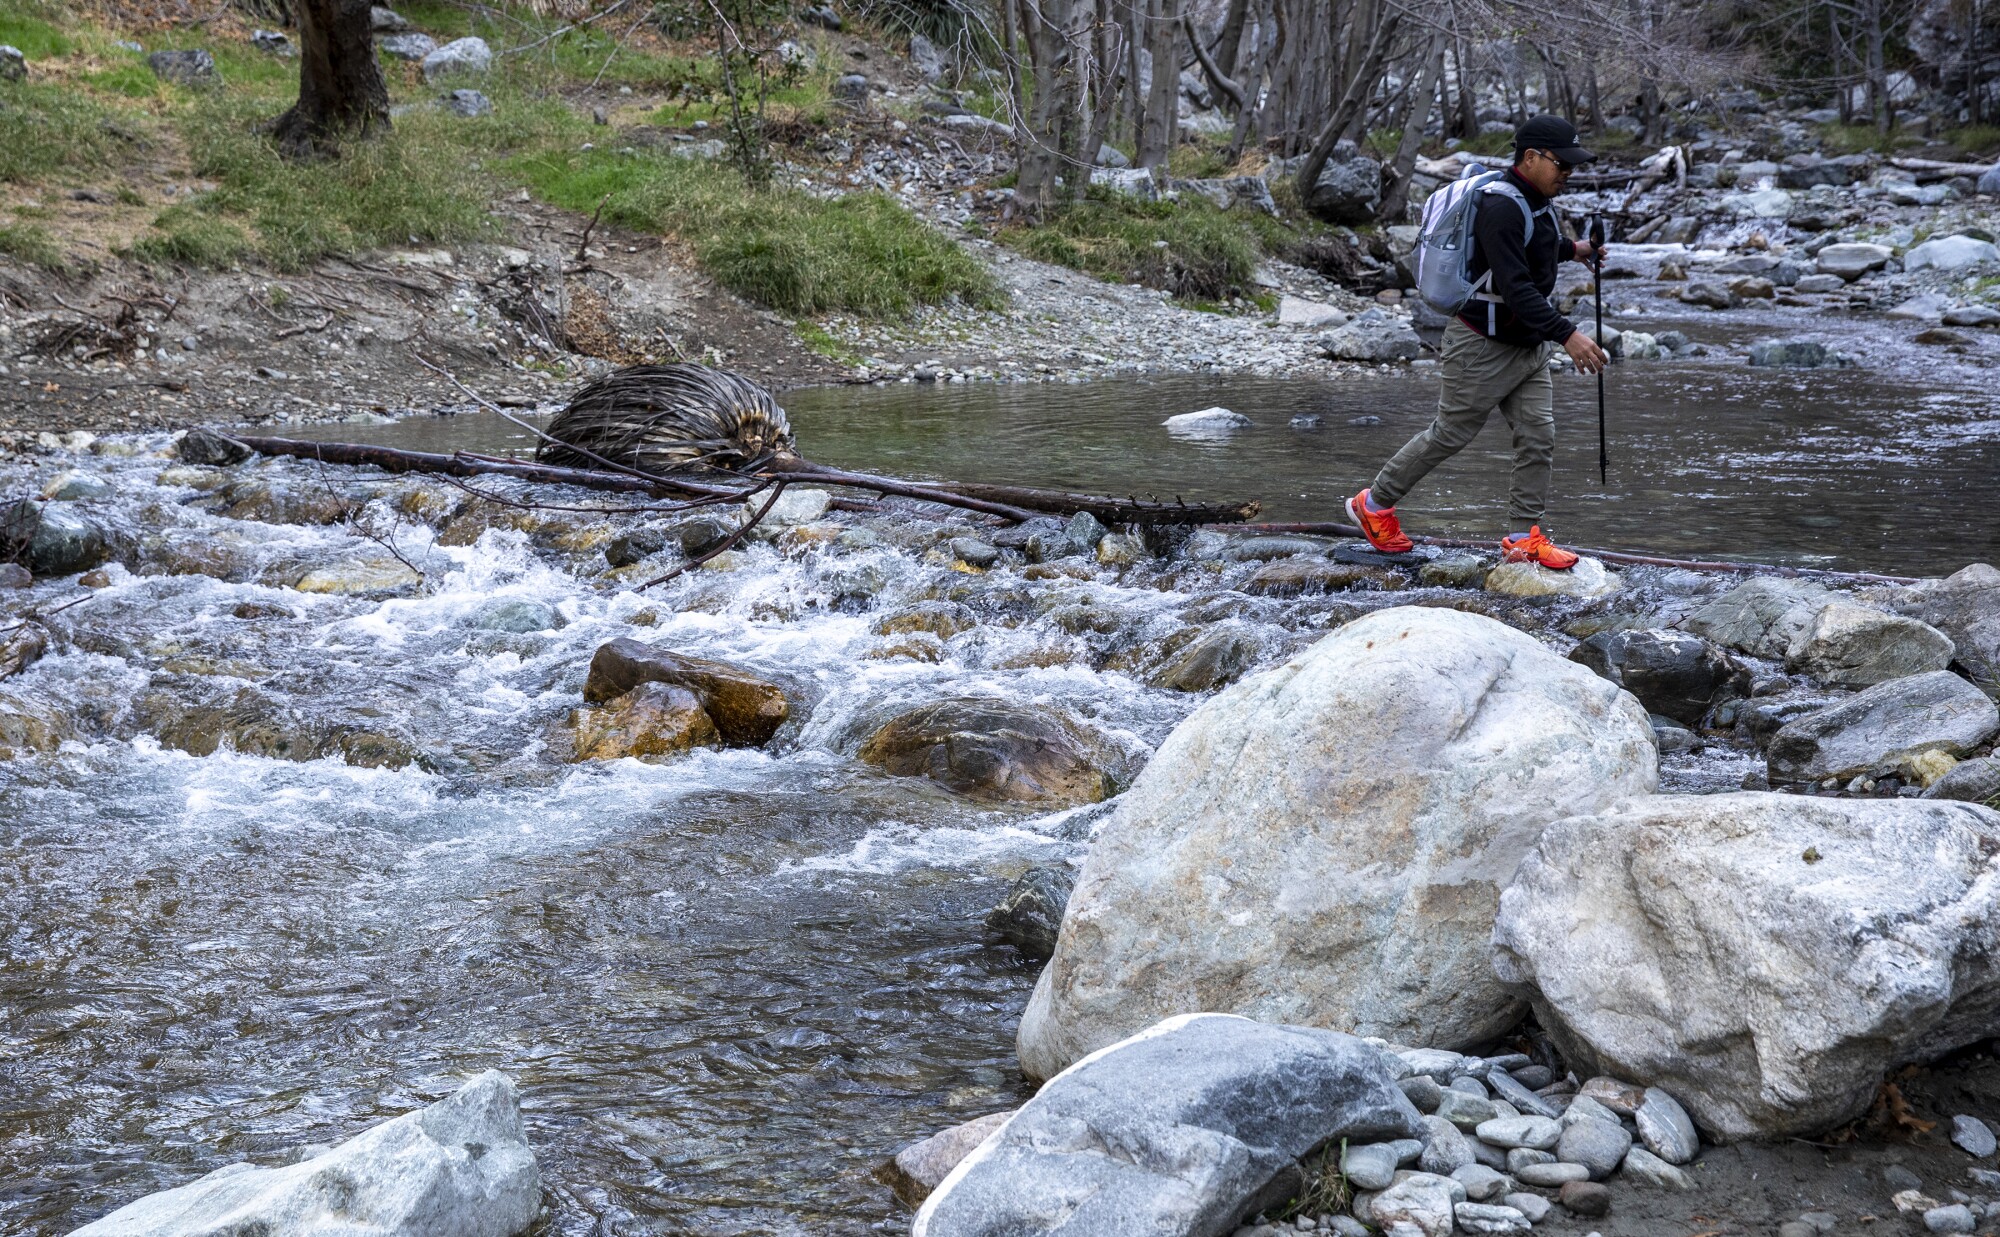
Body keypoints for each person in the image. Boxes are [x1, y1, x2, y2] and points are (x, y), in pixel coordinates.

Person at [1346, 114, 1610, 570]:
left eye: (1572, 164)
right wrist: (1569, 335)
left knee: (1538, 435)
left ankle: (1522, 536)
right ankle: (1373, 505)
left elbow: (1535, 245)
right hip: (1481, 345)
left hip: (1527, 345)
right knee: (1450, 433)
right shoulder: (1500, 205)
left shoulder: (1536, 198)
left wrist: (1576, 250)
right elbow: (1516, 287)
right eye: (1562, 164)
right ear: (1531, 157)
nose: (1568, 172)